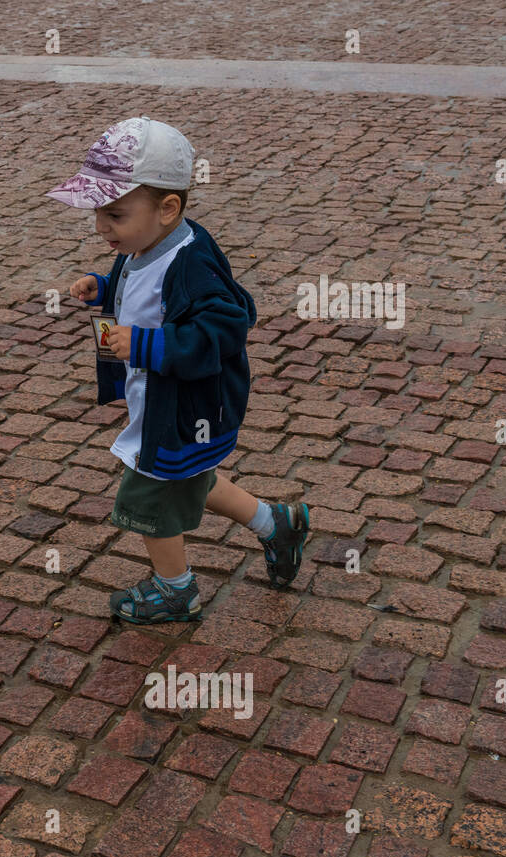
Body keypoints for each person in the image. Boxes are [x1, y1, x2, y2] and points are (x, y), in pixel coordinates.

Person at [47, 116, 311, 625]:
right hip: (168, 401)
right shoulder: (143, 245)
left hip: (188, 406)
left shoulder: (190, 263)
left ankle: (176, 591)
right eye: (97, 213)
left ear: (168, 209)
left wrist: (145, 343)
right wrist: (105, 288)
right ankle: (275, 522)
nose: (102, 226)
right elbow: (142, 291)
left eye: (115, 214)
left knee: (148, 497)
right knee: (190, 479)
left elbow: (226, 326)